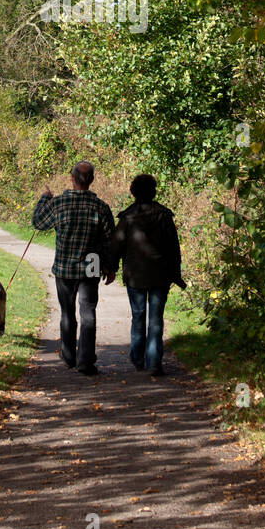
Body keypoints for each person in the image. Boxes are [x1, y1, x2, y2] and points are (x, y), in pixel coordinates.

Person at [32, 161, 115, 376]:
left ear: (72, 178)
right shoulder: (101, 207)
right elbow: (109, 240)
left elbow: (38, 222)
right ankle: (85, 361)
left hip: (65, 266)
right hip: (92, 266)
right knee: (88, 313)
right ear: (92, 180)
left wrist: (44, 198)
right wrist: (110, 266)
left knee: (67, 312)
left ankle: (68, 356)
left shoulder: (59, 203)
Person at [111, 174, 185, 377]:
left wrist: (110, 267)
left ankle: (137, 358)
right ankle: (154, 362)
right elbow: (174, 248)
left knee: (138, 316)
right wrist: (175, 273)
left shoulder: (127, 217)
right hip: (161, 275)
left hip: (135, 276)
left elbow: (115, 245)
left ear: (133, 192)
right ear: (153, 191)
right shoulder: (164, 215)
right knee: (156, 319)